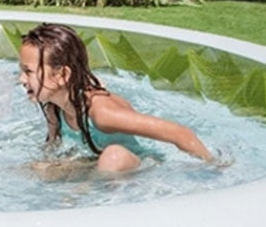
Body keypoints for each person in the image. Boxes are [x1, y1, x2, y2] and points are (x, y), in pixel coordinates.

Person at [18, 23, 215, 172]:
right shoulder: (53, 108)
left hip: (143, 167)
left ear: (62, 75)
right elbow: (51, 150)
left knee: (113, 156)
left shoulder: (102, 113)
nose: (21, 79)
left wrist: (214, 168)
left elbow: (180, 133)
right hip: (96, 165)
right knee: (36, 169)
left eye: (28, 72)